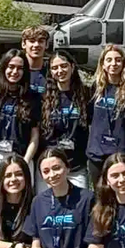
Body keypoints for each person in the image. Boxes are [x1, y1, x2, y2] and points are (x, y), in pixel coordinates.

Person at [0, 49, 41, 199]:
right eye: (11, 67)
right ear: (4, 68)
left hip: (21, 157)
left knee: (21, 203)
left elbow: (34, 137)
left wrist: (24, 162)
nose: (14, 71)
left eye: (19, 68)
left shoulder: (33, 99)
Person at [38, 50, 92, 193]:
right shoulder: (43, 98)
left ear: (72, 67)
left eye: (64, 66)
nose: (60, 71)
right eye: (55, 68)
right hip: (50, 167)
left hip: (76, 167)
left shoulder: (86, 95)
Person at [86, 44, 125, 187]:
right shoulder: (94, 89)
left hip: (119, 155)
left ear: (124, 63)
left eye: (118, 60)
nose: (113, 64)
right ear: (103, 64)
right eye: (109, 60)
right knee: (100, 197)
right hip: (96, 155)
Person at [20, 25, 51, 95]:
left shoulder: (53, 72)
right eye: (32, 41)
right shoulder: (12, 71)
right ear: (23, 44)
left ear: (46, 45)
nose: (36, 45)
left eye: (41, 41)